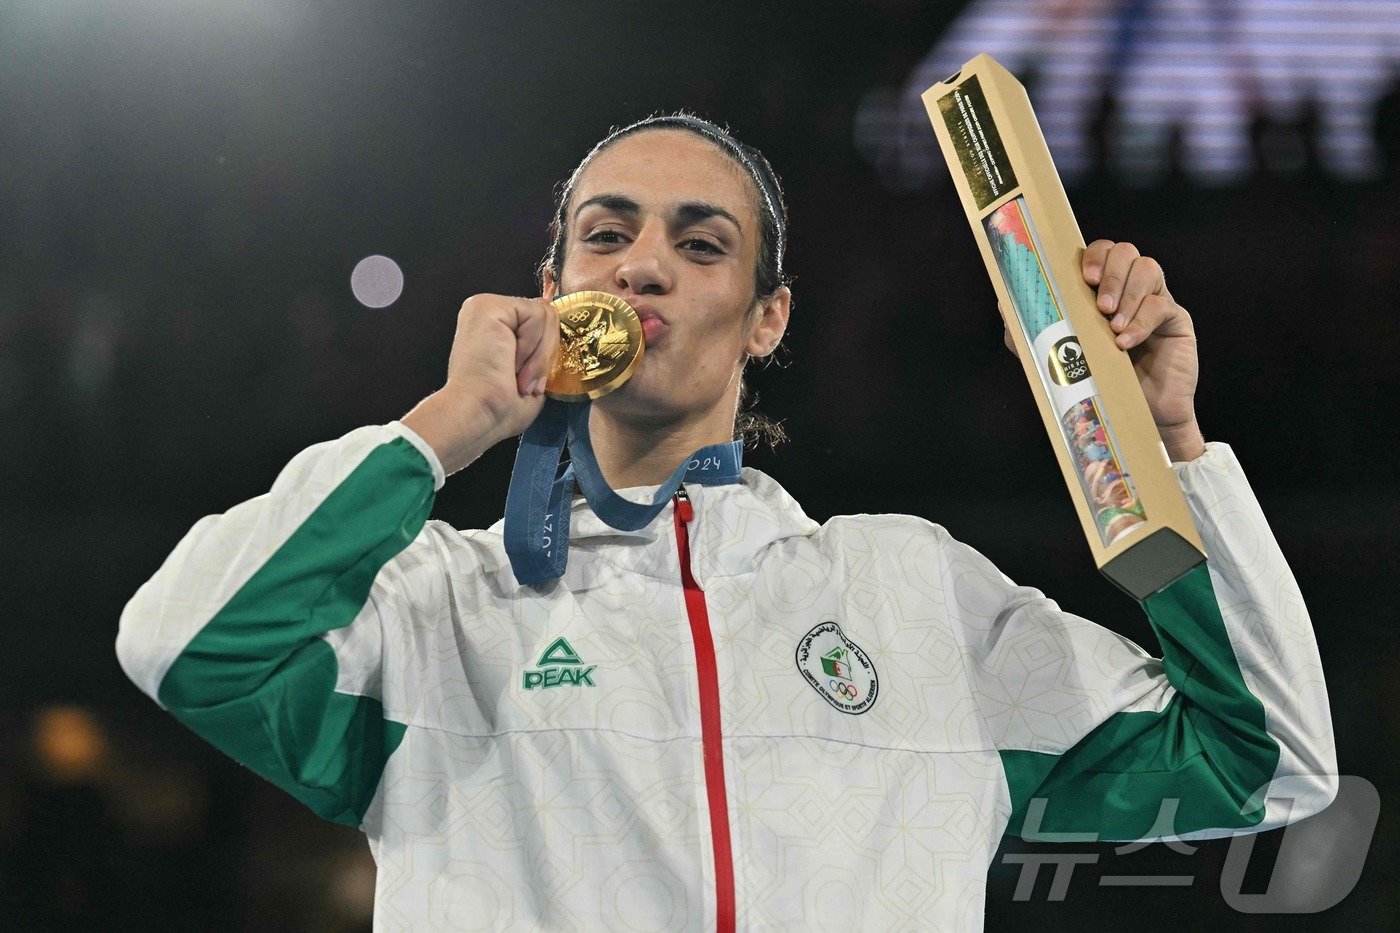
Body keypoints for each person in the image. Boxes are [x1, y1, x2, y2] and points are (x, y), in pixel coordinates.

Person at [116, 114, 1336, 931]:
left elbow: (1267, 763)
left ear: (767, 320)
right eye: (605, 235)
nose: (642, 265)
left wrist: (1165, 449)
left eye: (699, 245)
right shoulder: (439, 606)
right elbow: (184, 646)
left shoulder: (911, 595)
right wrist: (442, 429)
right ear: (553, 294)